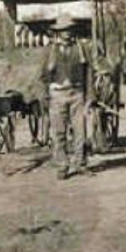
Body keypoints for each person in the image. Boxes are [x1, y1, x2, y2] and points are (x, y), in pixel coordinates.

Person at [40, 14, 93, 180]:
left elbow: (89, 73)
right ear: (58, 32)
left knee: (80, 131)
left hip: (77, 94)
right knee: (58, 132)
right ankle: (62, 166)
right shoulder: (49, 50)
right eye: (63, 30)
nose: (67, 33)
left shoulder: (81, 48)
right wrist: (45, 96)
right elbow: (42, 75)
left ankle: (80, 163)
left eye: (69, 29)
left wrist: (90, 96)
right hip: (57, 95)